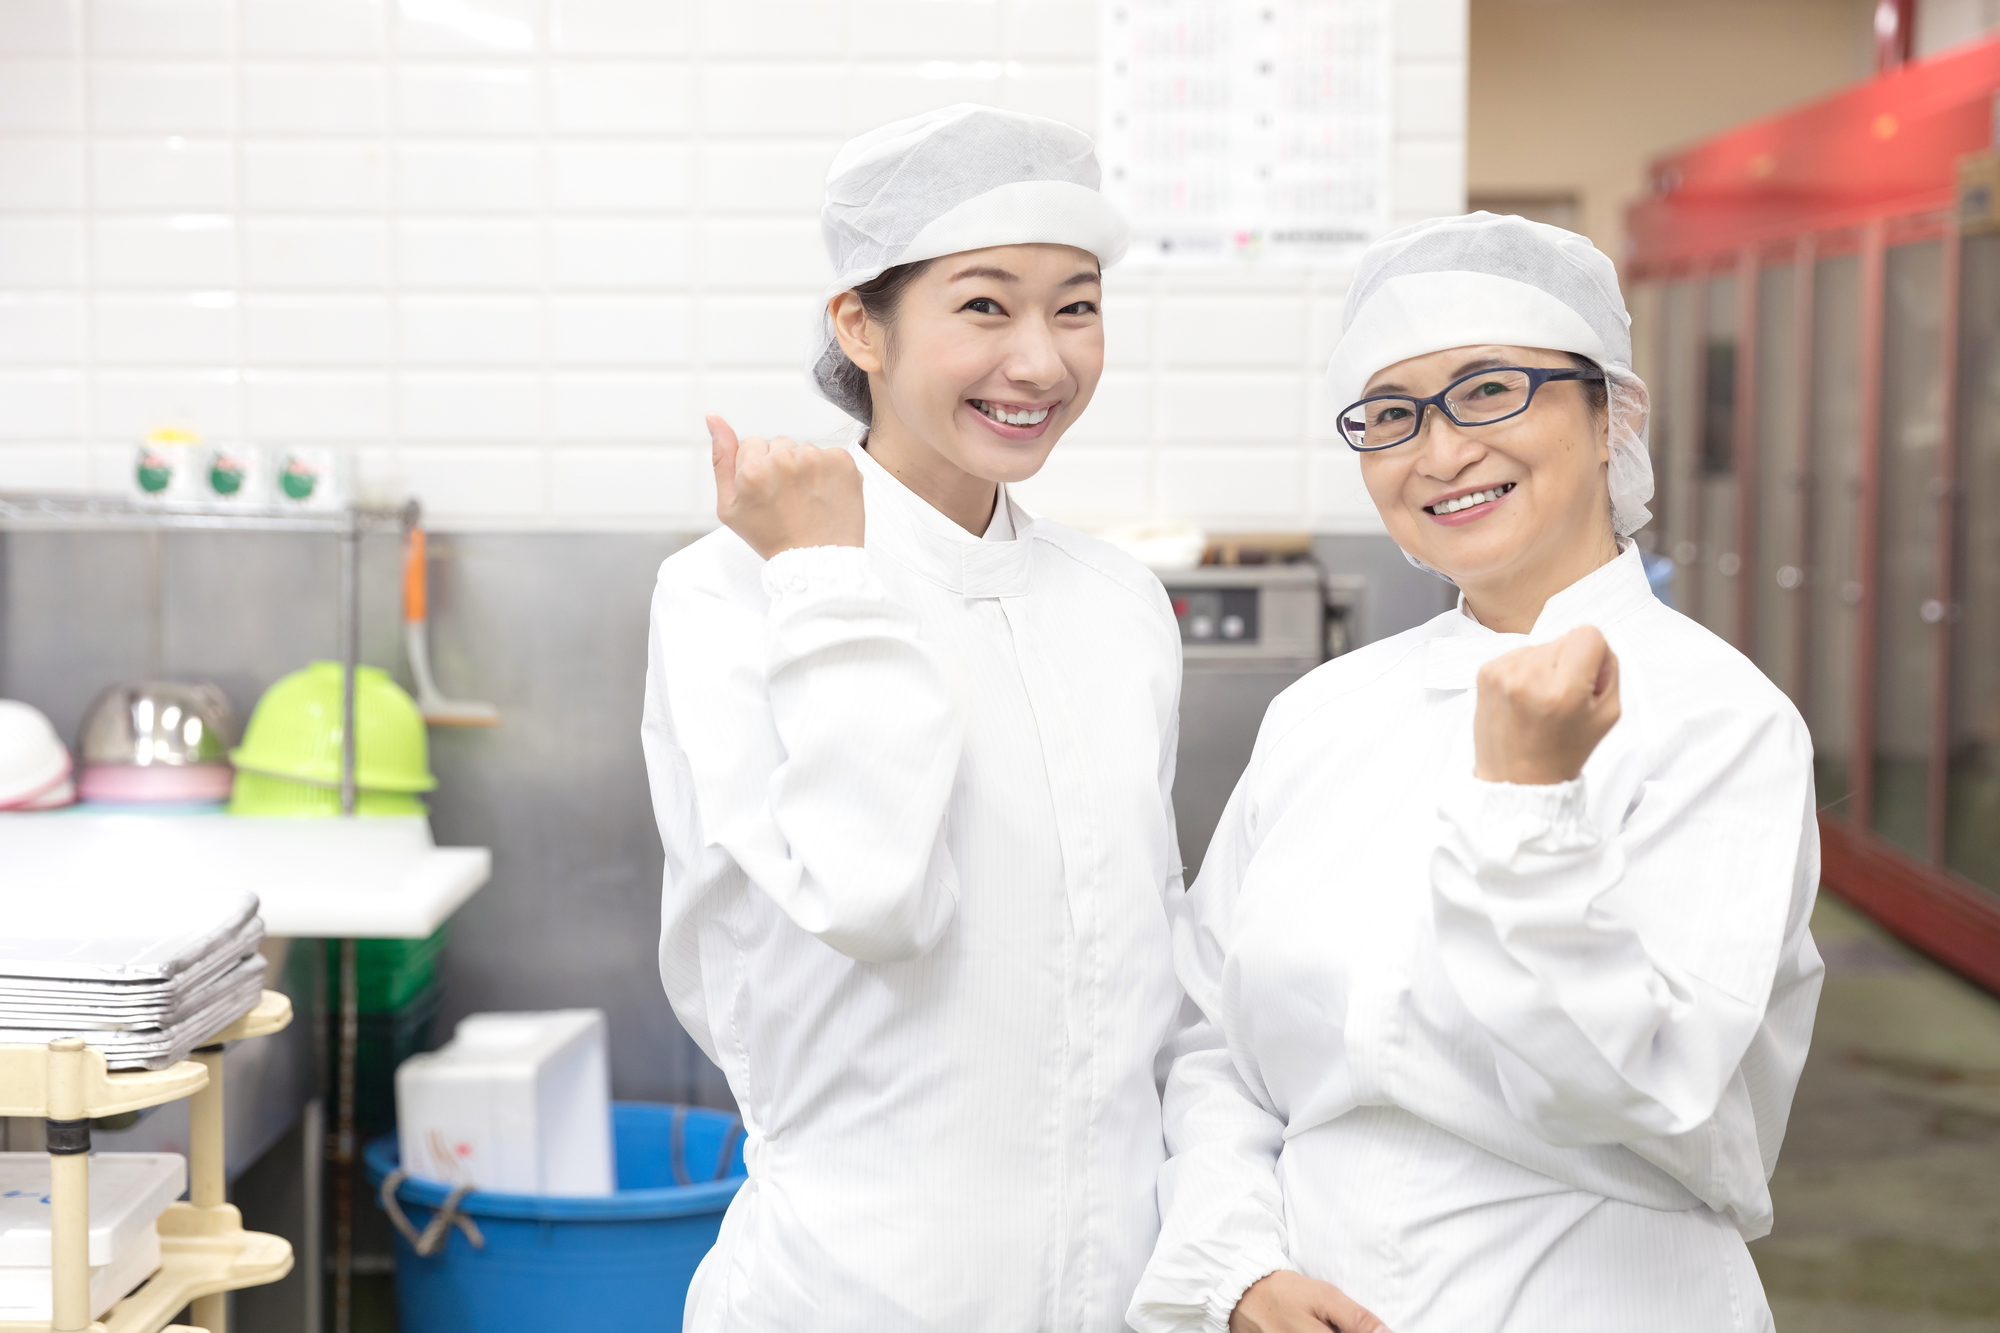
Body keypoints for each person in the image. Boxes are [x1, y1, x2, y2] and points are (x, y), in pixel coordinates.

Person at [1128, 213, 1823, 1333]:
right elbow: (1211, 1039)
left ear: (1611, 417)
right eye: (1390, 413)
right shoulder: (1322, 713)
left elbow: (1638, 1081)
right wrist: (1235, 1266)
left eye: (1489, 388)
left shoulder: (1718, 719)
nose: (1440, 451)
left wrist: (1524, 806)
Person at [641, 105, 1185, 1331]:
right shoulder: (734, 587)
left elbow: (1154, 972)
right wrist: (827, 579)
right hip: (858, 1284)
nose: (1040, 362)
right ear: (859, 325)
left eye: (1076, 306)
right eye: (985, 306)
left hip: (1114, 1287)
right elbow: (871, 897)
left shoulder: (1117, 604)